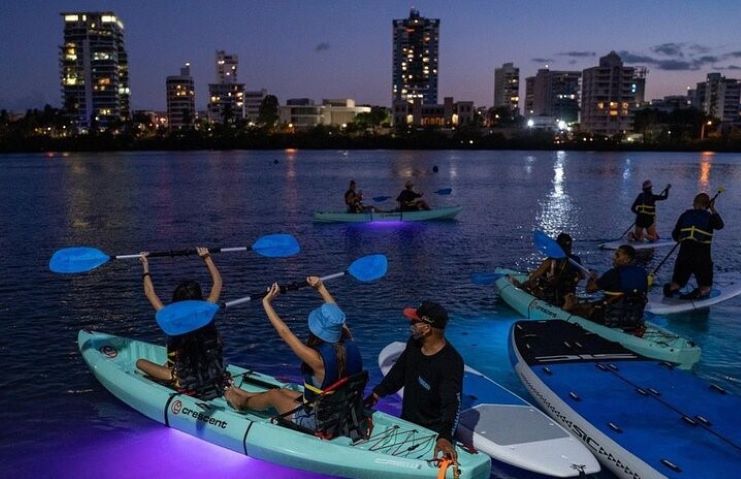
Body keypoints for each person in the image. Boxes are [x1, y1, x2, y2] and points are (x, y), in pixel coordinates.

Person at [224, 277, 362, 431]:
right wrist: (320, 287)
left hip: (317, 420)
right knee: (281, 391)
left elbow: (284, 332)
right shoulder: (349, 341)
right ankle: (245, 394)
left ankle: (240, 402)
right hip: (341, 410)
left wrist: (266, 303)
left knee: (274, 396)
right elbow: (338, 318)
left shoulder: (317, 359)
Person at [366, 301, 462, 465]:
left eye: (414, 321)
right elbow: (399, 373)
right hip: (406, 423)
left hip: (431, 433)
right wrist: (377, 393)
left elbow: (451, 404)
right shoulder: (414, 343)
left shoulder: (450, 363)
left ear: (426, 328)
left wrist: (445, 437)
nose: (410, 324)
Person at [135, 247, 229, 399]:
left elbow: (149, 292)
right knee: (172, 360)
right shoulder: (207, 310)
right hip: (215, 371)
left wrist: (145, 265)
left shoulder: (171, 318)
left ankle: (172, 382)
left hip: (185, 379)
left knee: (140, 363)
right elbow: (217, 283)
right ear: (198, 297)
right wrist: (206, 258)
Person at [564, 245, 648, 331]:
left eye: (617, 255)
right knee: (594, 303)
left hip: (611, 318)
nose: (613, 258)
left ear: (627, 259)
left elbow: (589, 289)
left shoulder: (613, 273)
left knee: (574, 306)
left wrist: (592, 278)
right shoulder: (643, 273)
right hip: (634, 317)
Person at [663, 192, 724, 299]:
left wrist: (682, 238)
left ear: (693, 203)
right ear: (708, 205)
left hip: (684, 255)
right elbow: (720, 225)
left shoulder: (685, 215)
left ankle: (672, 288)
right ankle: (700, 292)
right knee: (706, 285)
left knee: (677, 282)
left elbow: (675, 235)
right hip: (702, 257)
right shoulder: (709, 216)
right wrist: (713, 209)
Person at [513, 233, 584, 308]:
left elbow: (533, 278)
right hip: (569, 294)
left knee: (532, 281)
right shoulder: (576, 260)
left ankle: (521, 291)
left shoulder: (550, 261)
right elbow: (581, 277)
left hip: (553, 298)